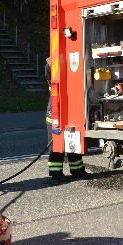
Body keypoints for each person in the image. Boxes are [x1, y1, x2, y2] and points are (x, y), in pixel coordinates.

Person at [44, 57, 92, 185]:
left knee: (74, 138)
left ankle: (77, 170)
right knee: (56, 144)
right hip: (56, 109)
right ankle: (56, 174)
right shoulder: (51, 64)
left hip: (70, 106)